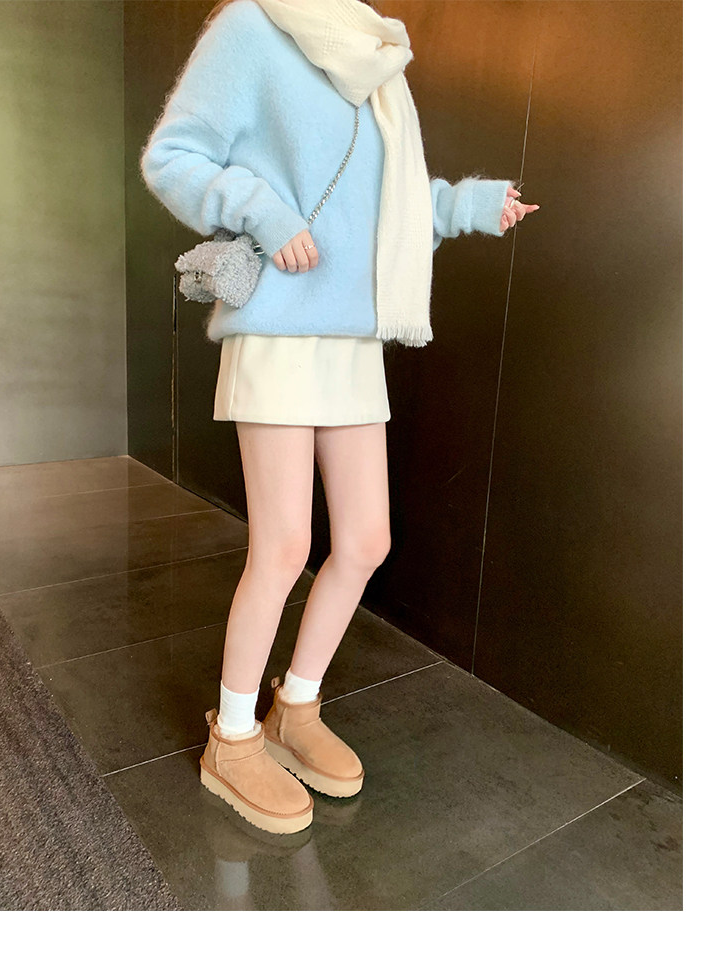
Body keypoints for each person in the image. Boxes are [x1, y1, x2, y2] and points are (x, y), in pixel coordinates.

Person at [139, 0, 539, 836]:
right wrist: (265, 211)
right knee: (284, 546)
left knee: (364, 542)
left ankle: (296, 707)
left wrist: (470, 205)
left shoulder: (374, 53)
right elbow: (172, 156)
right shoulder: (252, 28)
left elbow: (389, 207)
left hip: (352, 335)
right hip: (280, 329)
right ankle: (233, 737)